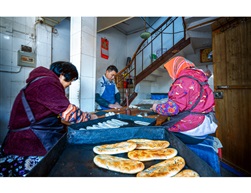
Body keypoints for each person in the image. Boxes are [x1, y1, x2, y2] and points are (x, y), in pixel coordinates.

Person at [0, 61, 97, 176]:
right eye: (70, 80)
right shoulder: (46, 83)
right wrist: (90, 117)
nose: (69, 84)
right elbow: (69, 113)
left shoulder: (42, 82)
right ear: (62, 74)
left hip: (30, 139)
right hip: (28, 144)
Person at [151, 56, 218, 144]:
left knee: (154, 135)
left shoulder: (183, 80)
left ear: (175, 67)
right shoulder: (198, 78)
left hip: (191, 130)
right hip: (202, 127)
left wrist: (156, 107)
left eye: (169, 70)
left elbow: (173, 109)